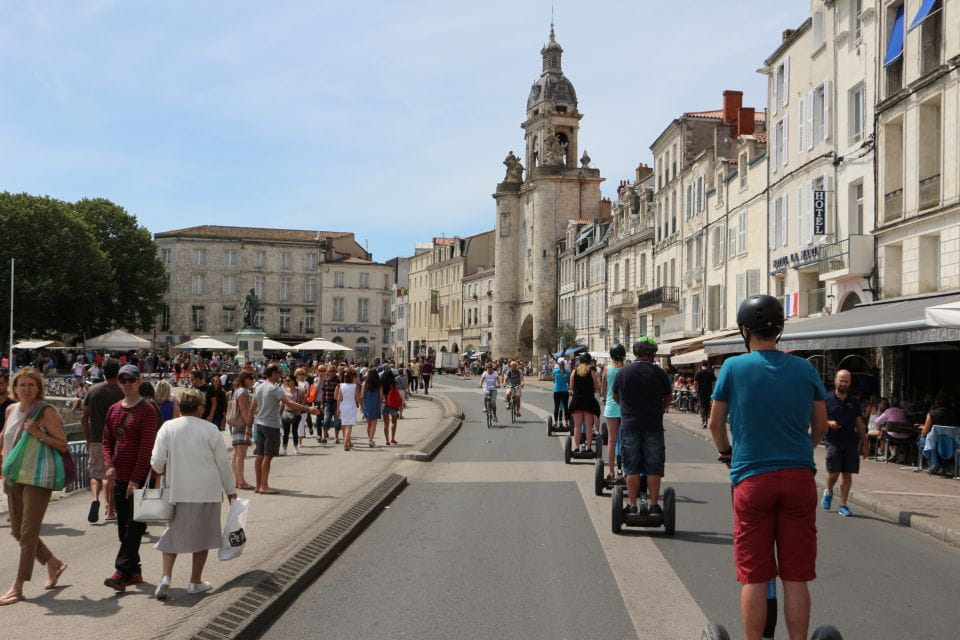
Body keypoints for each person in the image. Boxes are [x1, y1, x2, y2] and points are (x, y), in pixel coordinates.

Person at [708, 295, 829, 640]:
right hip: (798, 477)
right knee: (795, 575)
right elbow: (821, 424)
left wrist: (727, 454)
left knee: (755, 575)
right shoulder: (805, 368)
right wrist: (802, 451)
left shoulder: (733, 367)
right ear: (780, 329)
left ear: (745, 331)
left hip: (752, 478)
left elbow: (716, 424)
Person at [149, 388, 236, 600]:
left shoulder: (167, 427)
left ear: (179, 407)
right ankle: (195, 581)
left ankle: (165, 577)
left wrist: (161, 469)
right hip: (206, 490)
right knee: (203, 538)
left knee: (172, 535)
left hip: (176, 490)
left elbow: (157, 460)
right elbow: (223, 464)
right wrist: (230, 491)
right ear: (199, 407)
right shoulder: (210, 429)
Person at [0, 368, 69, 606]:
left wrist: (38, 433)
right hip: (13, 477)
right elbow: (5, 440)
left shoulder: (45, 411)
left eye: (31, 384)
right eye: (22, 385)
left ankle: (18, 585)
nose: (26, 388)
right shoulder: (10, 409)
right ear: (14, 388)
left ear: (39, 387)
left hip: (38, 479)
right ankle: (53, 563)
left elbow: (62, 444)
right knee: (17, 530)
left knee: (28, 532)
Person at [102, 364, 159, 591]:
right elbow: (107, 440)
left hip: (140, 478)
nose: (127, 383)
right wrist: (108, 465)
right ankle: (134, 572)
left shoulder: (147, 411)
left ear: (139, 382)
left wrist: (136, 479)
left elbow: (146, 448)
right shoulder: (114, 409)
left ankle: (120, 571)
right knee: (123, 529)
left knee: (135, 525)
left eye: (131, 380)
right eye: (123, 380)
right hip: (119, 476)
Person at [611, 338, 670, 516]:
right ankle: (653, 505)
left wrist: (627, 408)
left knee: (632, 466)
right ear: (652, 354)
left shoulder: (623, 372)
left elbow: (615, 396)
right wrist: (660, 410)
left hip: (630, 424)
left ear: (636, 353)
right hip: (653, 424)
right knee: (653, 467)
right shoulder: (660, 373)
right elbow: (668, 398)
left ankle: (632, 505)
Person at [249, 364, 318, 494]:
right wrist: (308, 408)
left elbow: (252, 408)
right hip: (271, 426)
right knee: (267, 457)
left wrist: (248, 427)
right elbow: (290, 403)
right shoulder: (275, 389)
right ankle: (264, 486)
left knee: (260, 455)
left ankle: (258, 486)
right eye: (279, 373)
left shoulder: (258, 387)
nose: (281, 375)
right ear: (273, 373)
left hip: (259, 424)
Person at [80, 358, 124, 524]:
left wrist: (88, 437)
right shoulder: (122, 392)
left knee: (95, 475)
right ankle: (110, 510)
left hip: (97, 438)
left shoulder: (92, 390)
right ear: (118, 372)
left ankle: (94, 499)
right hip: (117, 440)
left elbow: (84, 417)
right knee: (111, 475)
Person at [821, 370, 868, 517]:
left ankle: (843, 505)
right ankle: (828, 491)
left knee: (847, 475)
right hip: (833, 440)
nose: (843, 383)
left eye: (846, 381)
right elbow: (817, 418)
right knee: (834, 473)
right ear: (835, 381)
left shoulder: (854, 402)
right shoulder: (826, 398)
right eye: (841, 380)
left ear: (850, 383)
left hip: (850, 441)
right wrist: (828, 422)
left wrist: (865, 444)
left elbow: (859, 423)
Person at [601, 344, 626, 481]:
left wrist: (604, 397)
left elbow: (603, 392)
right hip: (625, 409)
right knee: (625, 441)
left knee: (611, 441)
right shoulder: (626, 370)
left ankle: (611, 472)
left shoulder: (606, 369)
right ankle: (624, 470)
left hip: (611, 408)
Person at [228, 372, 255, 490]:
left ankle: (237, 481)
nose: (252, 380)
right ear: (244, 379)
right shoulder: (243, 392)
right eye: (250, 378)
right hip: (242, 424)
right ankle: (241, 481)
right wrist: (249, 424)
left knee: (236, 454)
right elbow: (244, 409)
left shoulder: (237, 391)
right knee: (240, 455)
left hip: (236, 424)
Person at [568, 354, 601, 451]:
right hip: (588, 401)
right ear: (589, 361)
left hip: (577, 401)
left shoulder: (574, 372)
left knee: (577, 427)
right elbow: (597, 387)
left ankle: (577, 447)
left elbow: (571, 387)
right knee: (588, 427)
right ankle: (589, 448)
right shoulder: (592, 372)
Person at [336, 370, 361, 451]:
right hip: (351, 406)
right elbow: (357, 398)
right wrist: (361, 405)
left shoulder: (341, 385)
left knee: (344, 425)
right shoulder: (355, 386)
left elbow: (339, 399)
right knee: (349, 426)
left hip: (343, 407)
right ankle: (345, 443)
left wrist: (338, 408)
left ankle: (346, 442)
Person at [280, 374, 304, 455]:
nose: (287, 382)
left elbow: (301, 402)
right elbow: (282, 403)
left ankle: (296, 447)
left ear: (293, 381)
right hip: (286, 412)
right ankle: (284, 449)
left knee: (295, 431)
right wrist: (279, 413)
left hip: (296, 413)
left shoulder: (299, 391)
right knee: (285, 432)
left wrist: (299, 410)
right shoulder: (284, 391)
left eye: (288, 380)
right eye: (286, 380)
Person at [361, 368, 383, 448]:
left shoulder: (365, 383)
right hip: (375, 405)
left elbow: (362, 396)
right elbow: (381, 397)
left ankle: (370, 439)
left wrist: (361, 406)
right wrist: (380, 405)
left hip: (367, 405)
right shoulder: (379, 384)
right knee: (374, 424)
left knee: (369, 424)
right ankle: (370, 439)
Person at [694, 360, 716, 429]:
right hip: (709, 392)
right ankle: (709, 421)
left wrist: (696, 390)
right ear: (707, 365)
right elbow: (714, 382)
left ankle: (704, 421)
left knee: (703, 406)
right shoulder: (711, 373)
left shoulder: (698, 373)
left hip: (701, 392)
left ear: (701, 365)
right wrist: (713, 389)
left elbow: (695, 383)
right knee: (709, 407)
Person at [380, 366, 399, 445]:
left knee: (386, 423)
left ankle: (387, 440)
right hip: (393, 404)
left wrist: (384, 400)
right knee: (394, 422)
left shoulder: (381, 383)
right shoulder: (394, 383)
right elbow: (396, 393)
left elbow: (381, 394)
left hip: (385, 403)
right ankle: (393, 438)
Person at [552, 358, 570, 427]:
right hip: (565, 391)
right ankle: (566, 423)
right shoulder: (567, 372)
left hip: (557, 391)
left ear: (558, 364)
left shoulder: (555, 371)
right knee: (566, 407)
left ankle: (556, 423)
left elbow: (553, 380)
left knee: (556, 407)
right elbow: (568, 381)